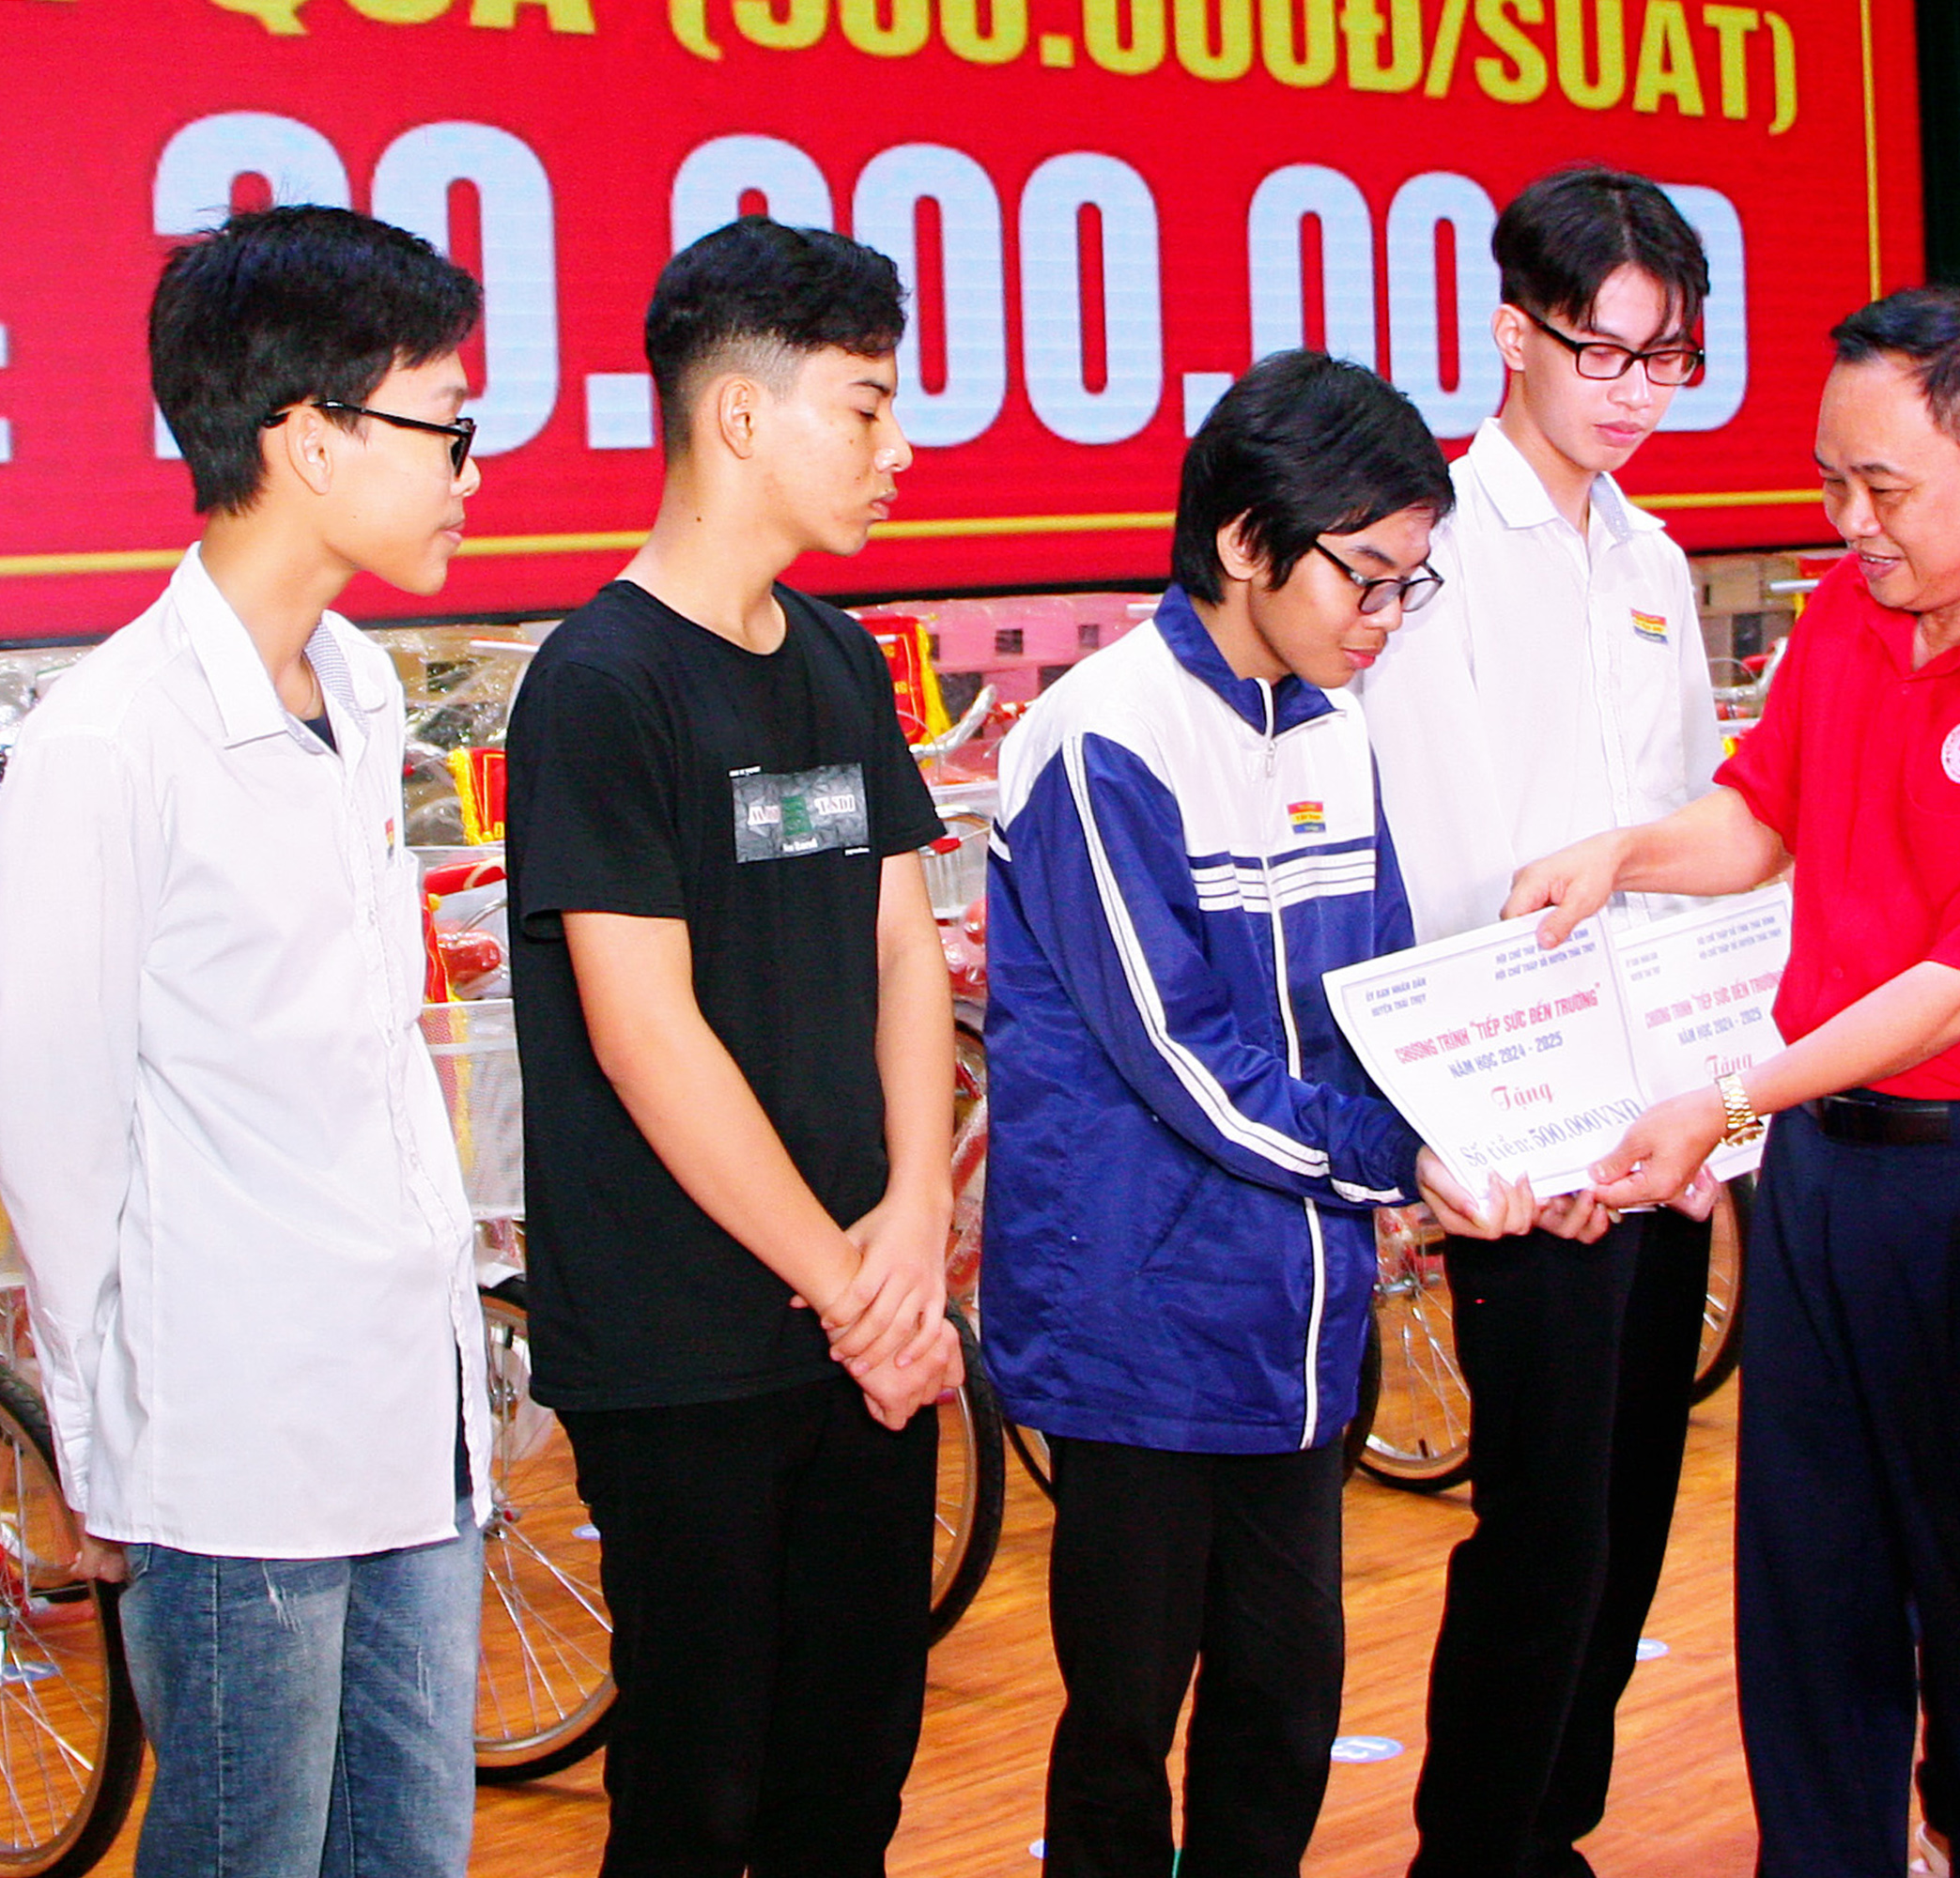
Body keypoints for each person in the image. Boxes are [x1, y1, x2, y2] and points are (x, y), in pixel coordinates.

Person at [1505, 285, 1960, 1876]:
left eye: (1884, 488)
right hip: (1829, 1174)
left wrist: (1735, 1097)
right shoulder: (1849, 619)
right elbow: (1761, 819)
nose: (1850, 522)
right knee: (1810, 1595)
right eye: (1832, 483)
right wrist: (1624, 854)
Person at [984, 349, 1555, 1878]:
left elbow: (1381, 1003)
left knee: (1283, 1711)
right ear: (1246, 542)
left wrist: (1501, 1127)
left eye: (1410, 584)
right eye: (1365, 577)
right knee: (1126, 1723)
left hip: (1298, 1319)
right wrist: (1397, 1155)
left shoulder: (1328, 728)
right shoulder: (1101, 740)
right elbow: (1184, 1060)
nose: (1386, 617)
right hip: (1138, 1325)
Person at [0, 206, 490, 1874]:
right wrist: (97, 1454)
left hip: (411, 1420)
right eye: (445, 423)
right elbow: (56, 1142)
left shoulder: (360, 688)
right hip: (232, 1449)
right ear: (311, 438)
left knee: (409, 1852)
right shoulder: (109, 744)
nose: (470, 470)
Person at [505, 216, 964, 1876]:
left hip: (868, 1318)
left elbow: (903, 946)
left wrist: (917, 1212)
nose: (897, 451)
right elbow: (646, 1035)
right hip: (689, 1343)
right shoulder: (601, 685)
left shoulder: (837, 658)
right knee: (697, 1792)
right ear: (742, 416)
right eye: (867, 407)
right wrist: (850, 1290)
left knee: (853, 1771)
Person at [1349, 163, 1726, 1878]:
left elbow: (1690, 837)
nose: (1636, 391)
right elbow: (1446, 864)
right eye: (1605, 352)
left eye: (1667, 358)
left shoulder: (1653, 556)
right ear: (1514, 335)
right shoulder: (1435, 556)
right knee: (1546, 1521)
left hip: (1657, 1118)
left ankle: (1554, 1829)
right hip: (1525, 1130)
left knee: (1635, 1501)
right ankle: (1479, 1848)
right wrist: (1519, 1131)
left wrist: (1708, 1113)